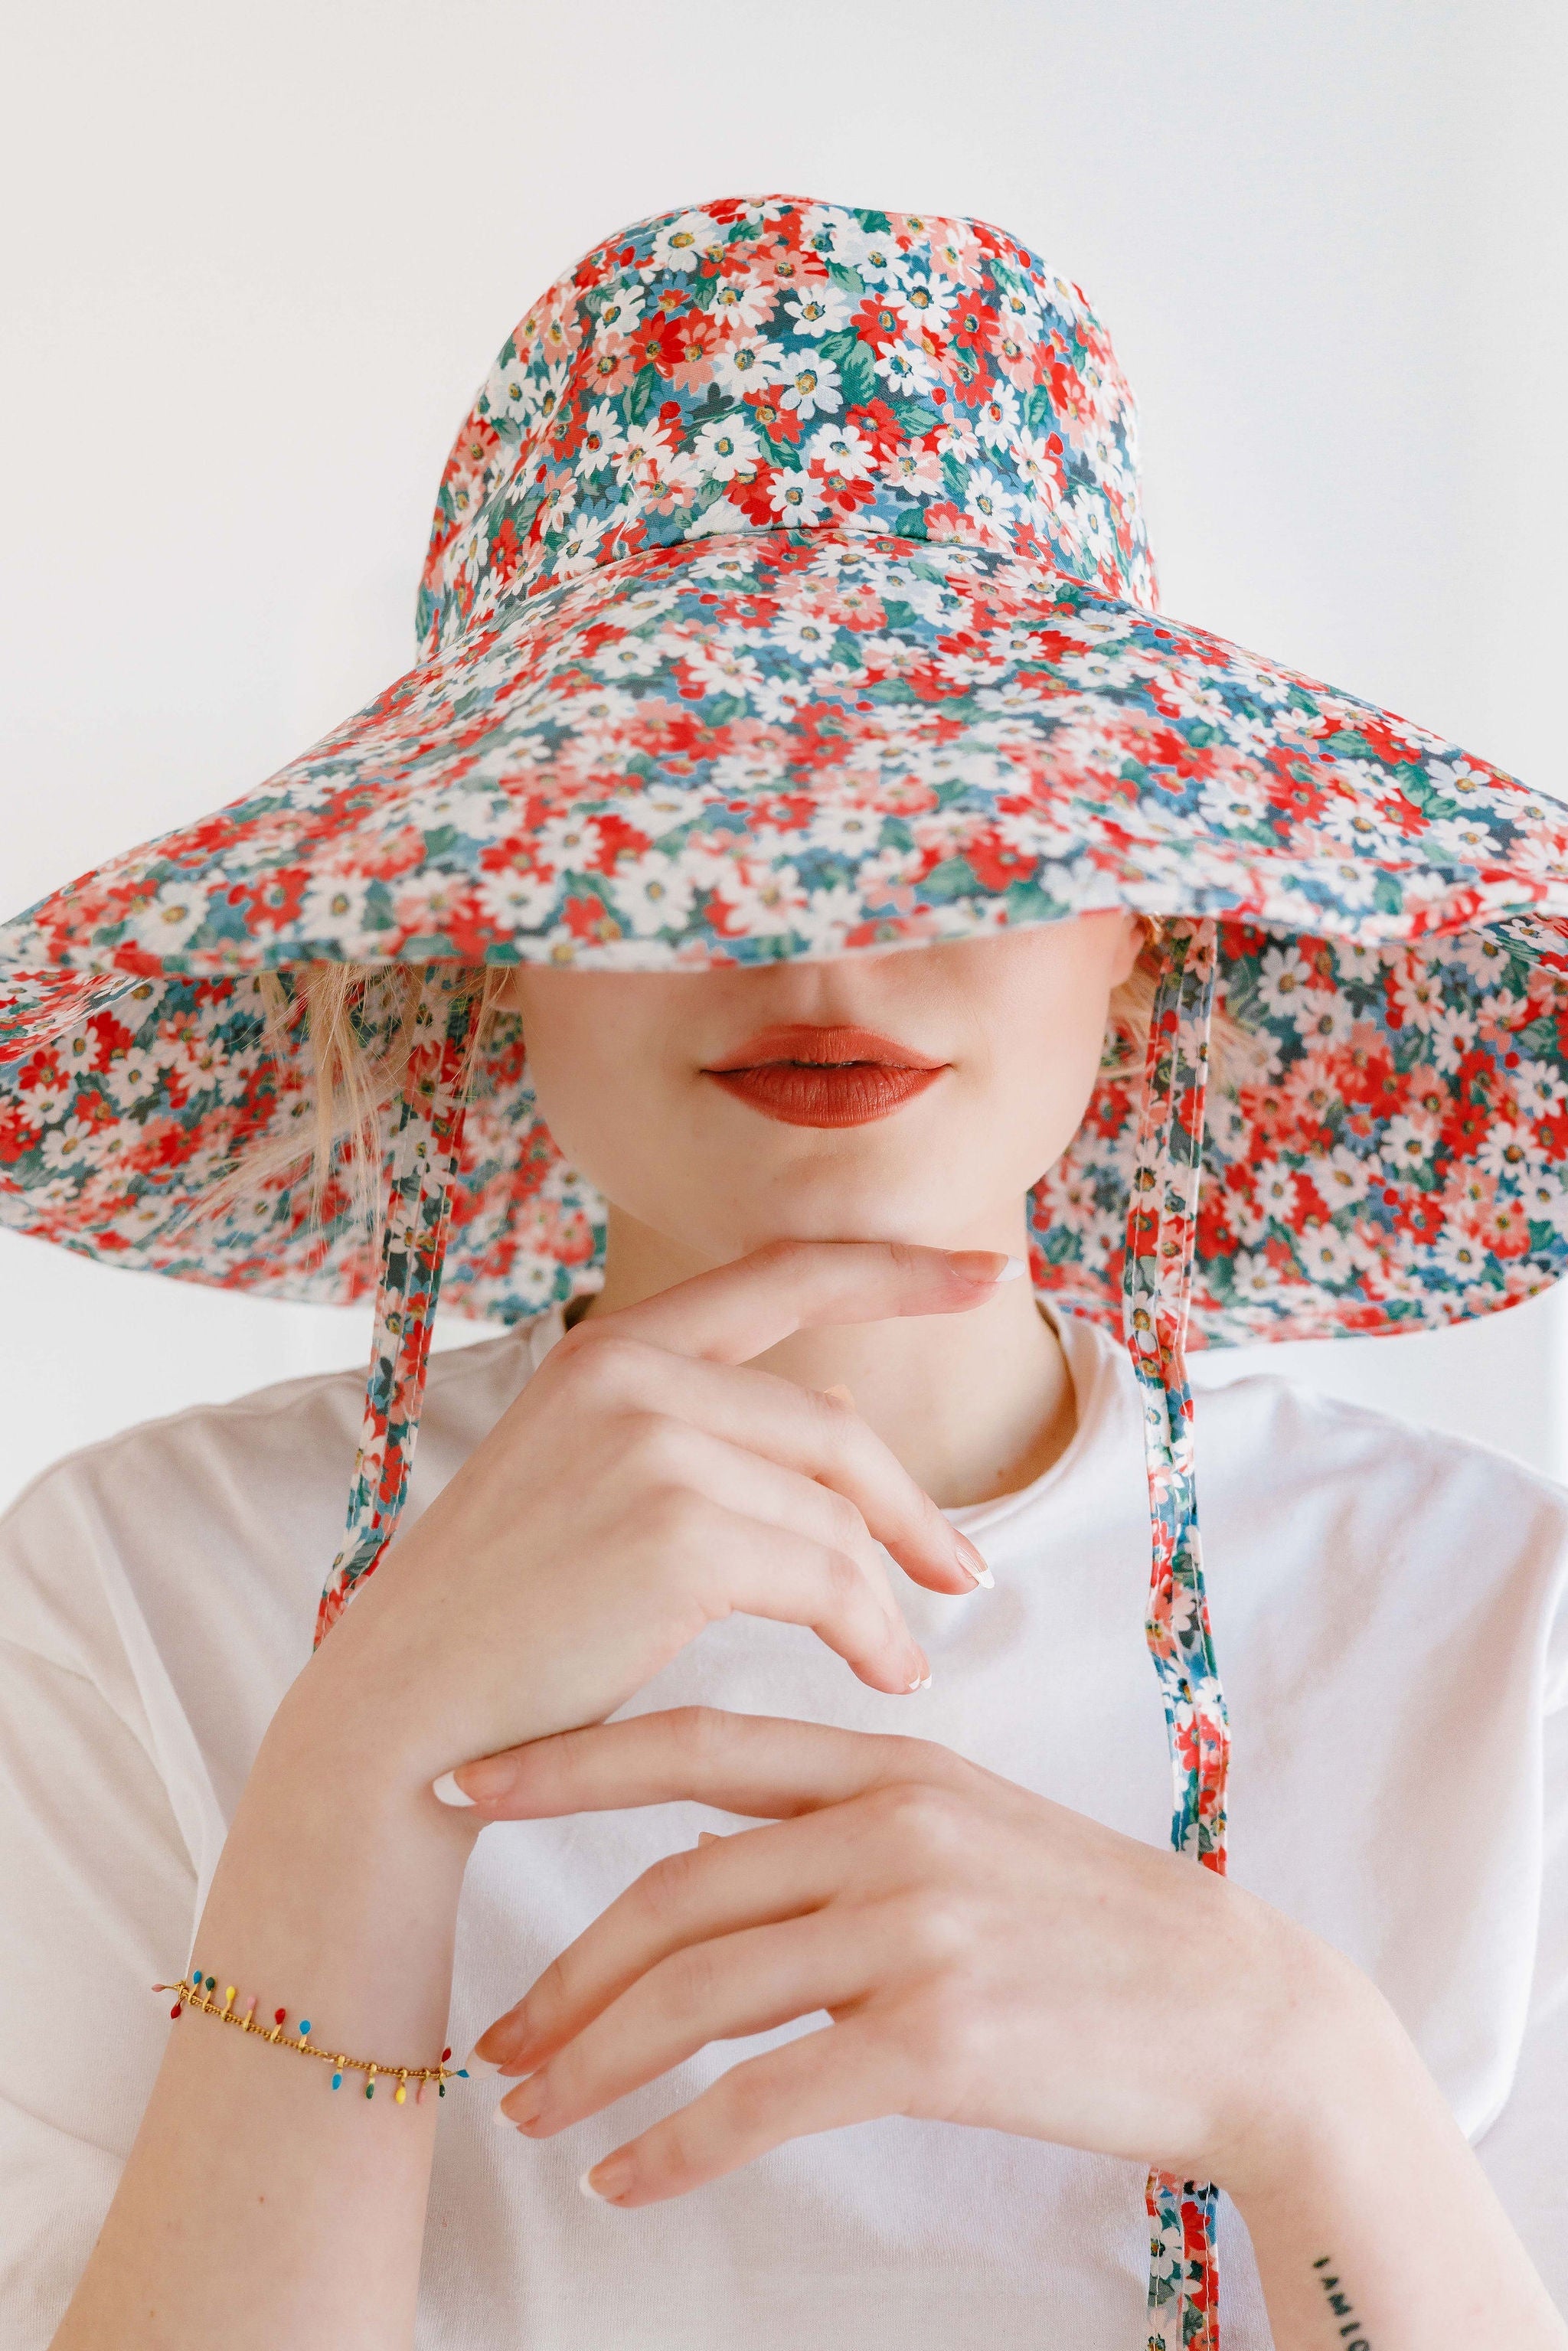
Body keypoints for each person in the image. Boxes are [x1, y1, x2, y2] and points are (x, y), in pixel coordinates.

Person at [0, 195, 1564, 2351]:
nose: (821, 931)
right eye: (671, 813)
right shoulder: (130, 1590)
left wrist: (1303, 2080)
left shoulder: (1496, 1622)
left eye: (971, 813)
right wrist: (354, 1786)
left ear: (1149, 914)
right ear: (485, 921)